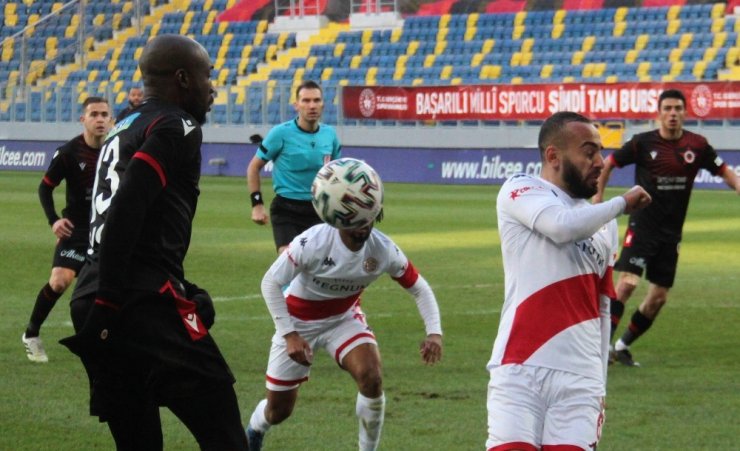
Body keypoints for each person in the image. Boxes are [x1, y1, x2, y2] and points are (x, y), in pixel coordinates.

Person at [59, 34, 249, 450]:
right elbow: (128, 203)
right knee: (226, 432)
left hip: (91, 292)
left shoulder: (122, 125)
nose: (212, 87)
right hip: (135, 299)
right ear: (183, 78)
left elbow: (126, 222)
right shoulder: (177, 125)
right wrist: (115, 300)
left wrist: (181, 288)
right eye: (206, 75)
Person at [245, 160, 443, 451]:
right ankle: (255, 427)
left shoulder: (383, 250)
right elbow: (270, 283)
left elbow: (419, 288)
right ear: (337, 221)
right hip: (297, 321)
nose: (363, 229)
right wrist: (289, 334)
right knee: (279, 411)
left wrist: (434, 332)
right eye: (355, 225)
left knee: (372, 377)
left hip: (343, 319)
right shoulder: (311, 243)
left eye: (368, 221)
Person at [486, 111, 651, 451]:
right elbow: (561, 227)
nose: (600, 162)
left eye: (601, 152)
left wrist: (599, 385)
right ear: (553, 156)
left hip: (580, 382)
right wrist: (622, 203)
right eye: (589, 152)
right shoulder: (521, 190)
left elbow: (603, 304)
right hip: (520, 367)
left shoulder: (604, 224)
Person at [594, 89, 740, 367]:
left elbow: (723, 170)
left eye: (677, 109)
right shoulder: (642, 143)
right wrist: (598, 196)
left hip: (671, 233)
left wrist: (737, 185)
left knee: (658, 297)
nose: (673, 113)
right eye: (668, 108)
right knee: (626, 284)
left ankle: (620, 347)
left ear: (685, 113)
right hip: (643, 224)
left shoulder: (697, 146)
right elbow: (610, 162)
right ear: (658, 112)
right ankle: (598, 352)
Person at [21, 96, 112, 363]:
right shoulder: (70, 152)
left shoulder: (116, 151)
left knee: (111, 287)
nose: (99, 119)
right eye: (93, 114)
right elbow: (45, 186)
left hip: (106, 230)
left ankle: (104, 341)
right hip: (76, 230)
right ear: (82, 119)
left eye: (104, 114)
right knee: (60, 281)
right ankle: (31, 333)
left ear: (111, 120)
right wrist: (53, 220)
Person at [246, 80, 342, 253]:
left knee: (320, 269)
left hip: (320, 210)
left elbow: (337, 174)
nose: (312, 105)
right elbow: (253, 167)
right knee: (290, 261)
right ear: (296, 105)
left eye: (316, 100)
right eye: (306, 101)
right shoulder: (280, 133)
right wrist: (257, 204)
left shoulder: (330, 135)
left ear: (323, 104)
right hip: (287, 210)